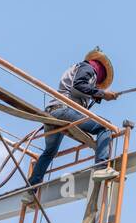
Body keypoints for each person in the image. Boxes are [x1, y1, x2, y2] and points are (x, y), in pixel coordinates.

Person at [26, 48, 119, 193]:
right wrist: (102, 93)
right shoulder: (89, 69)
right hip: (64, 110)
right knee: (105, 127)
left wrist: (97, 96)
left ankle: (30, 190)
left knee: (50, 151)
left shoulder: (76, 68)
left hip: (52, 111)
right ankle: (101, 167)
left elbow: (79, 88)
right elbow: (79, 86)